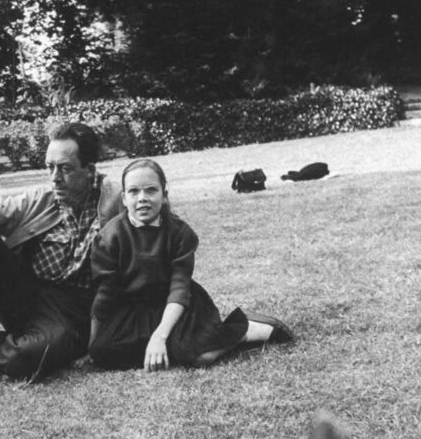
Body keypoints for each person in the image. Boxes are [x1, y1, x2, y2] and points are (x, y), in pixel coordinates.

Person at [0, 122, 123, 381]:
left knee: (29, 358)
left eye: (65, 169)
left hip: (74, 314)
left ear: (90, 170)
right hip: (27, 296)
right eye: (50, 167)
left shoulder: (116, 201)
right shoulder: (42, 198)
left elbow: (157, 225)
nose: (54, 178)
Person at [88, 158, 293, 371]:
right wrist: (93, 344)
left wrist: (160, 336)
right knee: (102, 353)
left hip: (177, 305)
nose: (142, 198)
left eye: (151, 190)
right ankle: (168, 345)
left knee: (198, 357)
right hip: (134, 310)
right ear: (123, 198)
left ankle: (246, 329)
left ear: (164, 194)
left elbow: (179, 289)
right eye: (134, 191)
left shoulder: (179, 233)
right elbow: (105, 293)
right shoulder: (110, 236)